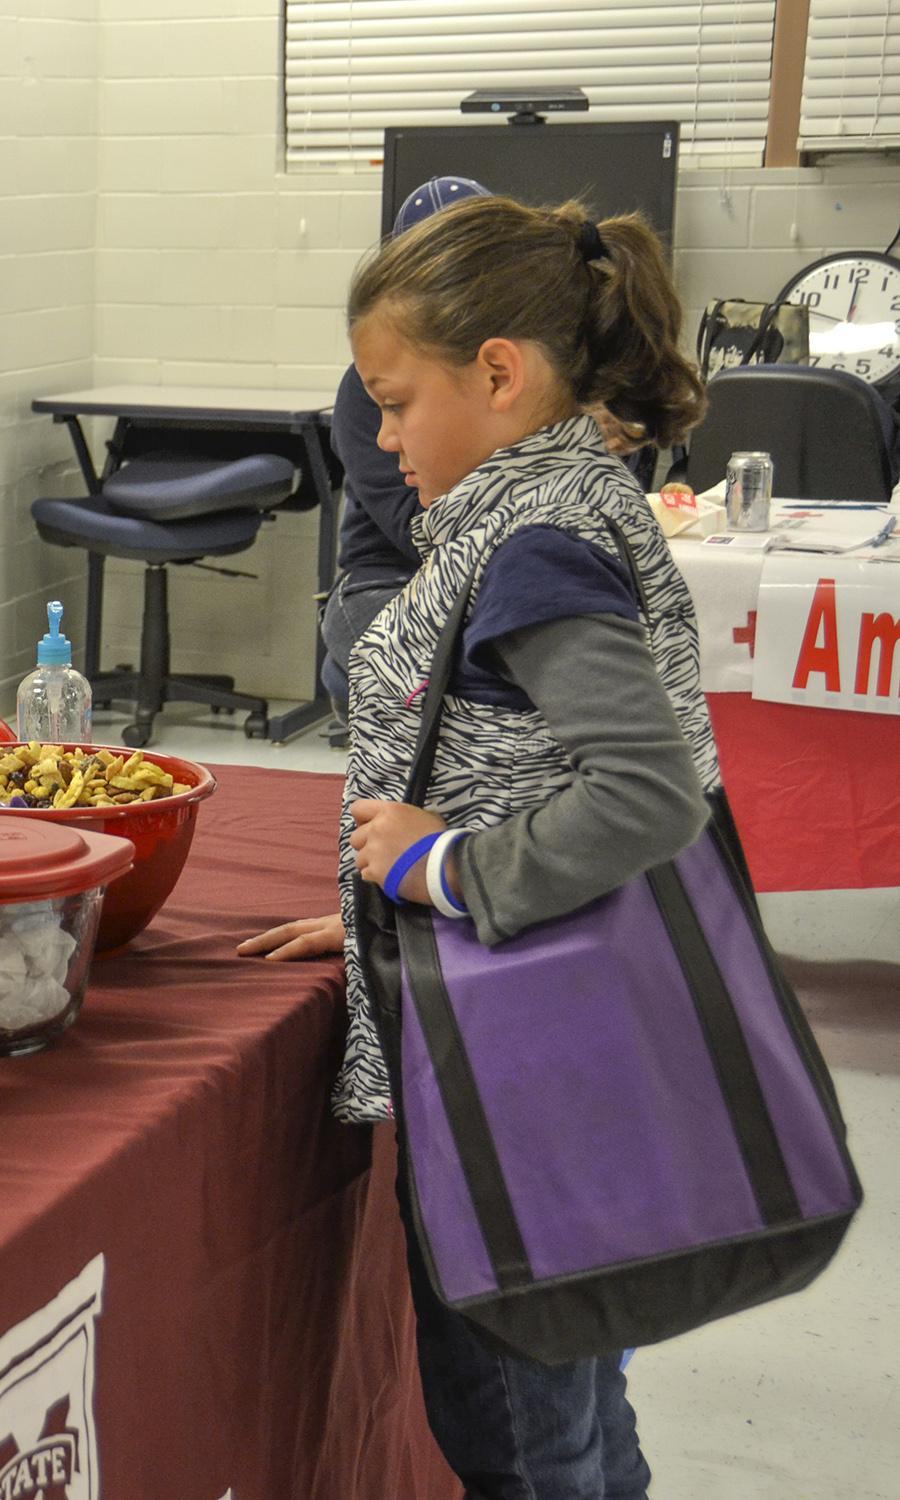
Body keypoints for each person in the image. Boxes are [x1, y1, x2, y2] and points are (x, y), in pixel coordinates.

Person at [241, 197, 715, 1498]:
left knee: (517, 1439)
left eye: (396, 403)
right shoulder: (554, 502)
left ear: (498, 373)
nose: (381, 440)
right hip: (565, 1035)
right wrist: (379, 914)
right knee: (574, 1407)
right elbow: (520, 765)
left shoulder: (537, 540)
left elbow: (644, 796)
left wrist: (440, 874)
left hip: (530, 1075)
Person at [321, 176, 489, 707]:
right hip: (392, 577)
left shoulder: (509, 367)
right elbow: (413, 526)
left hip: (488, 568)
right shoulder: (366, 383)